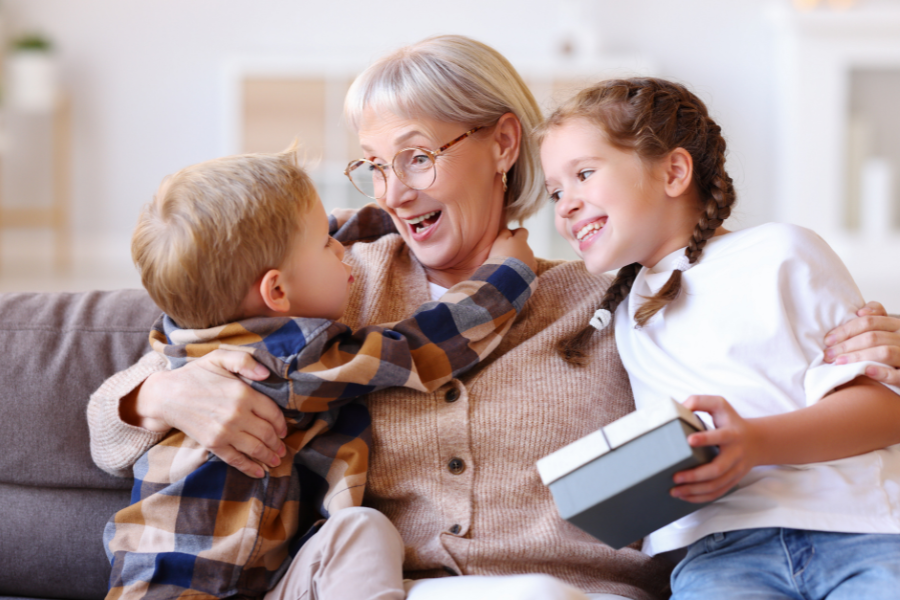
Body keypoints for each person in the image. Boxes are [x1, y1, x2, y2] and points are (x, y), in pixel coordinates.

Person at [87, 36, 900, 600]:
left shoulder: (609, 298)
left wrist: (882, 344)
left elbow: (753, 339)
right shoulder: (342, 283)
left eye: (417, 156)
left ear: (504, 144)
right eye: (374, 166)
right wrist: (157, 394)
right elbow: (151, 379)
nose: (393, 192)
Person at [103, 146, 537, 600]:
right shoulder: (290, 361)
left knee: (359, 529)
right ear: (277, 290)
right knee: (363, 529)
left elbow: (298, 235)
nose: (341, 249)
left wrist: (402, 220)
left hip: (212, 582)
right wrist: (507, 275)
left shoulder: (185, 335)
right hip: (187, 592)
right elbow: (421, 347)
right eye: (327, 245)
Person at [539, 76, 900, 599]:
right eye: (555, 192)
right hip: (720, 555)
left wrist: (755, 443)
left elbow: (885, 410)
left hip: (857, 529)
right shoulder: (620, 310)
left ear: (673, 172)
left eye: (584, 174)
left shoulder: (780, 253)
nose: (564, 205)